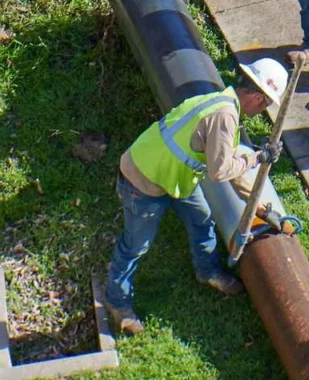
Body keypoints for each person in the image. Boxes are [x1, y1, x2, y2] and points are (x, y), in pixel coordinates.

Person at [105, 58, 291, 335]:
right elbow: (221, 171)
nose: (262, 110)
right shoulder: (224, 116)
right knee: (135, 246)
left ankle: (208, 271)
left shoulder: (224, 104)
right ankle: (116, 302)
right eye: (265, 105)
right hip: (143, 180)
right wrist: (258, 157)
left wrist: (260, 209)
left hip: (174, 177)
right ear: (256, 96)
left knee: (202, 220)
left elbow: (231, 168)